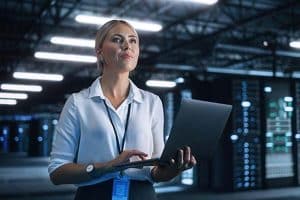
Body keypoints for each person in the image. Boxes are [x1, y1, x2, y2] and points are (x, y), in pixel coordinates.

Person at [48, 20, 197, 200]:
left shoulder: (152, 102)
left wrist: (174, 170)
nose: (127, 45)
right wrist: (106, 167)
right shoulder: (78, 103)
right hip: (93, 195)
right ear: (100, 52)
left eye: (133, 41)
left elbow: (156, 172)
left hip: (143, 195)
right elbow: (57, 172)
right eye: (117, 40)